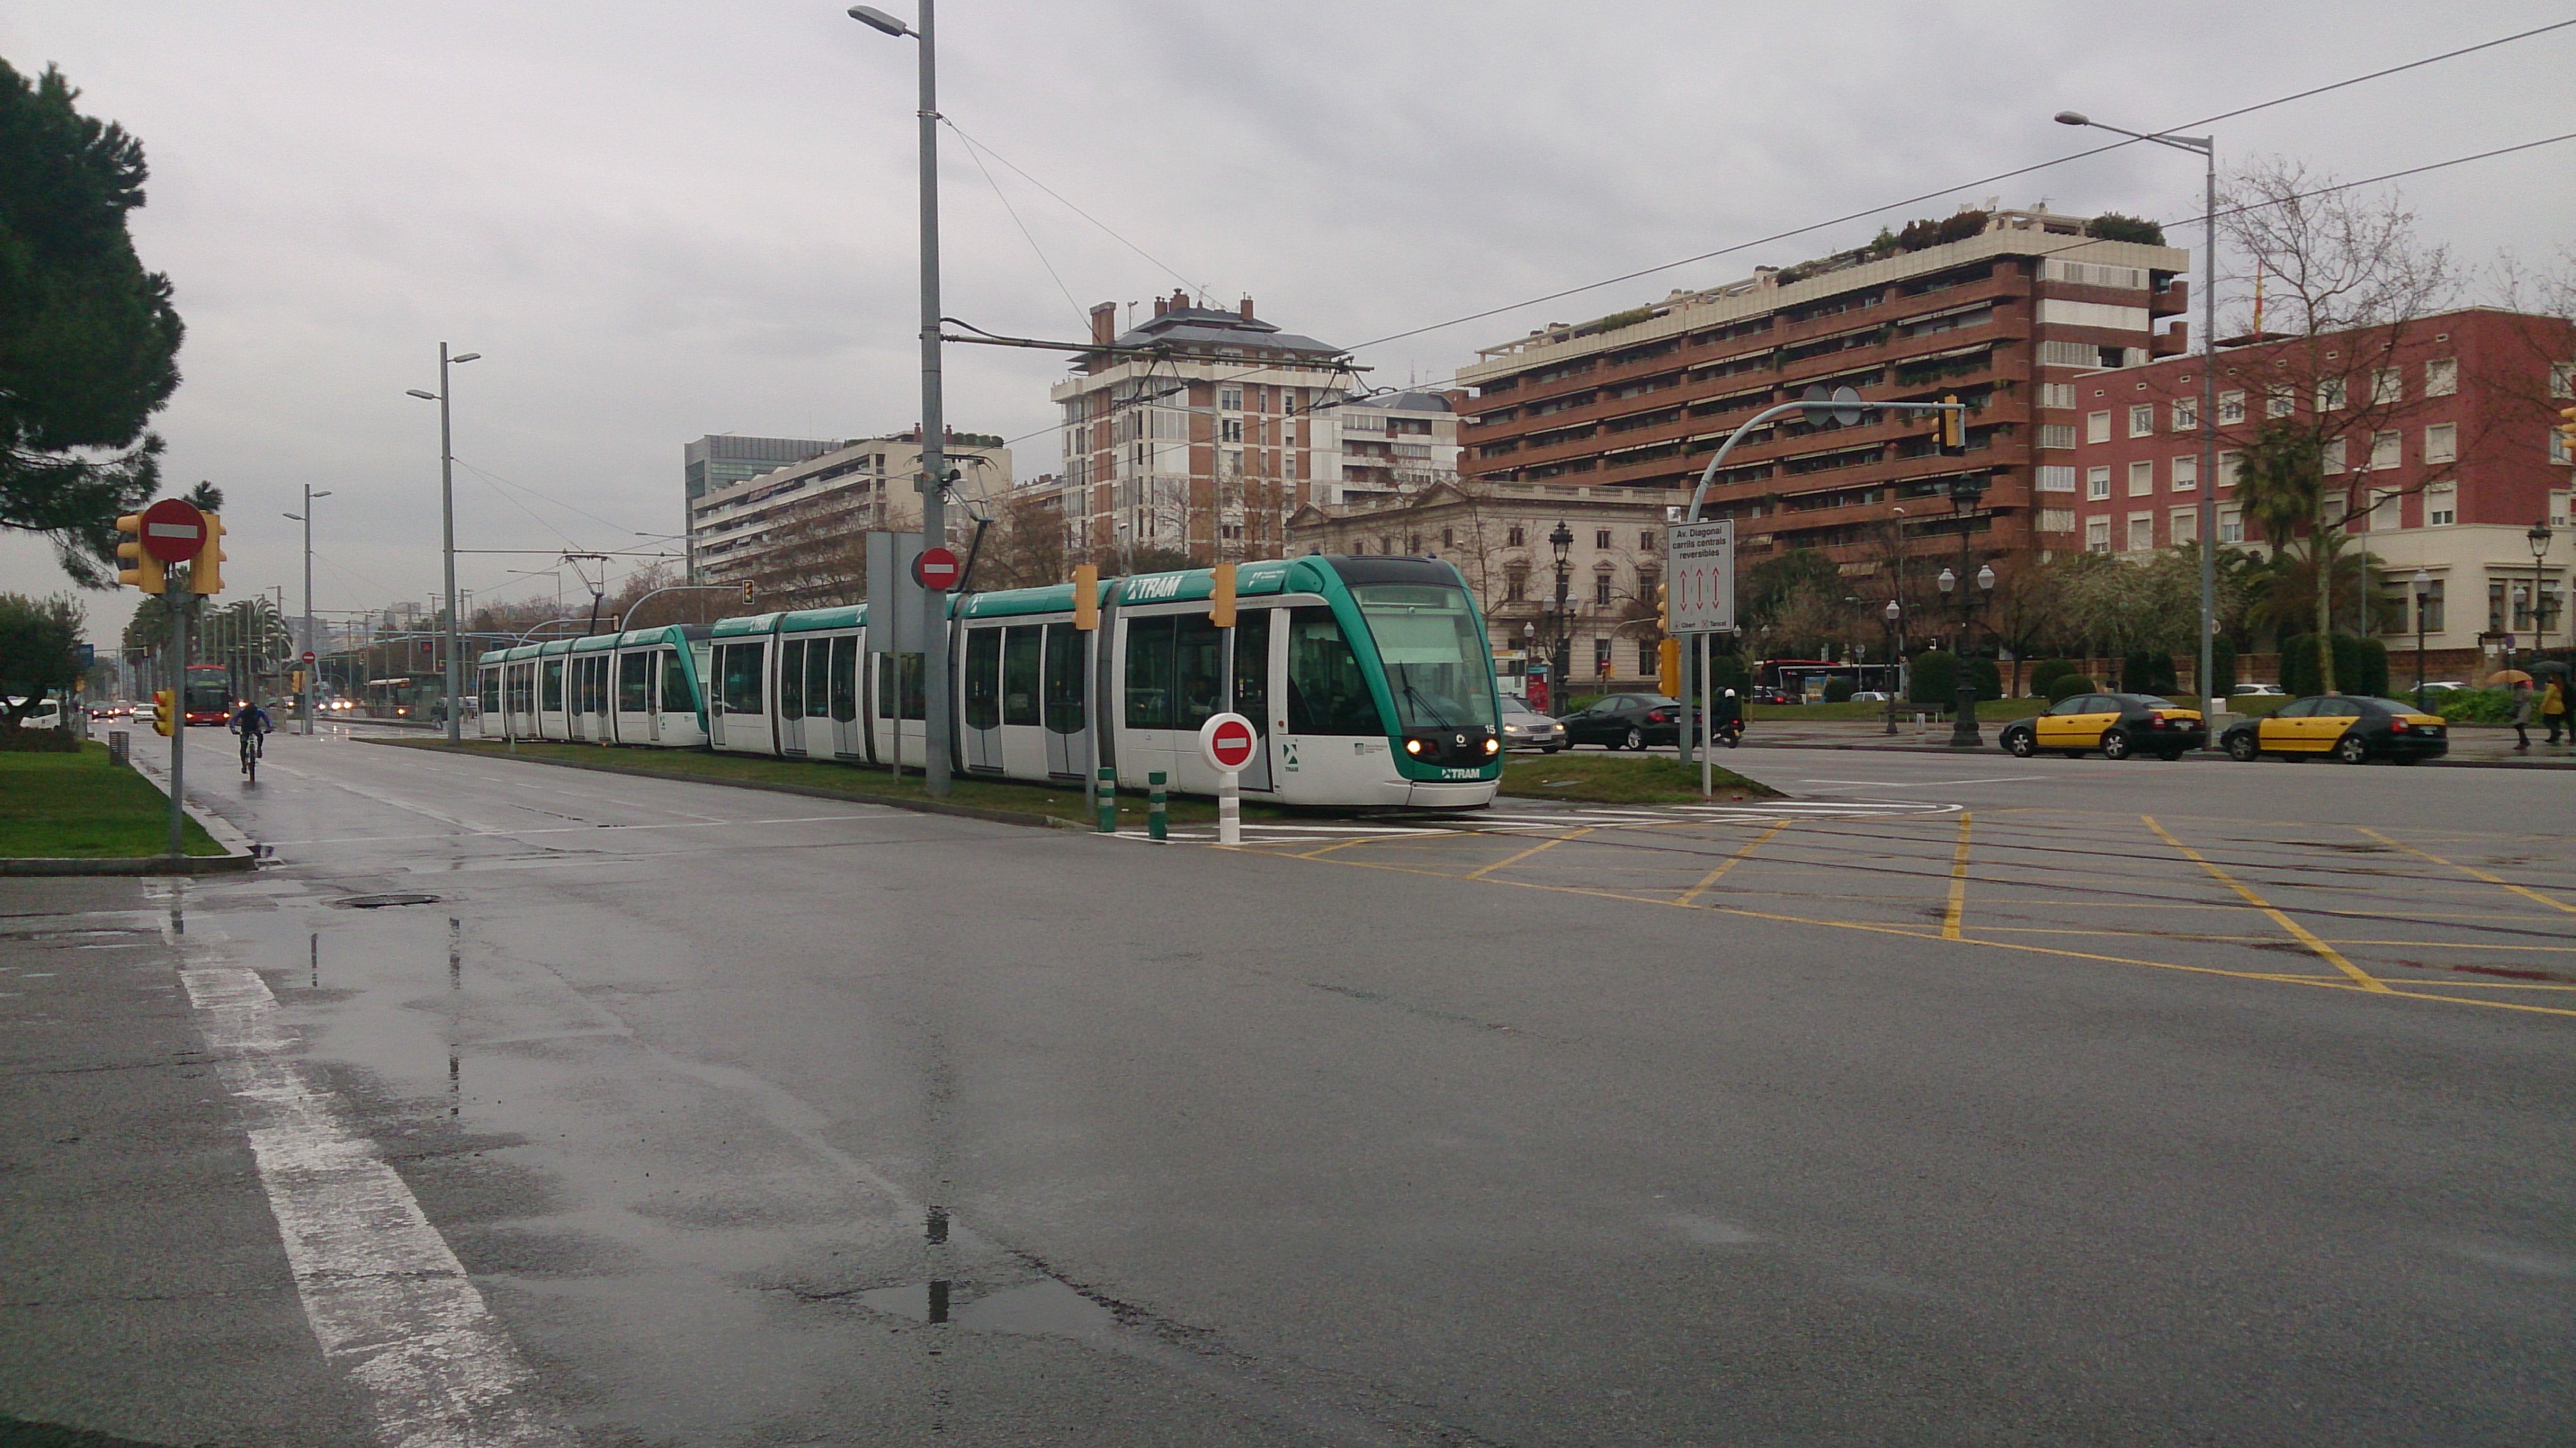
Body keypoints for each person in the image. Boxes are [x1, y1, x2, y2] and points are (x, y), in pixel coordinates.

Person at [229, 698, 273, 765]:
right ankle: (259, 749)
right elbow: (267, 720)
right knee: (260, 736)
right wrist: (269, 728)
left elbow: (233, 720)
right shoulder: (258, 711)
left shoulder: (243, 711)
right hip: (254, 729)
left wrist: (233, 729)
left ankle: (244, 764)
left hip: (245, 730)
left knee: (243, 747)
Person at [2508, 678, 2534, 750]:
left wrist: (2512, 699)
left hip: (2522, 710)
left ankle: (2524, 741)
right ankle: (2524, 741)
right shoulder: (2527, 690)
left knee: (2519, 725)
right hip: (2526, 709)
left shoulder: (2519, 691)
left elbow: (2518, 701)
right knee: (2520, 725)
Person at [2542, 676, 2567, 746]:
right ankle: (2554, 738)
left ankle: (2557, 732)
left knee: (2547, 721)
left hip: (2551, 707)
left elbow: (2547, 697)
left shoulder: (2551, 687)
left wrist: (2543, 707)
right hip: (2559, 706)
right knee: (2556, 722)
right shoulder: (2559, 687)